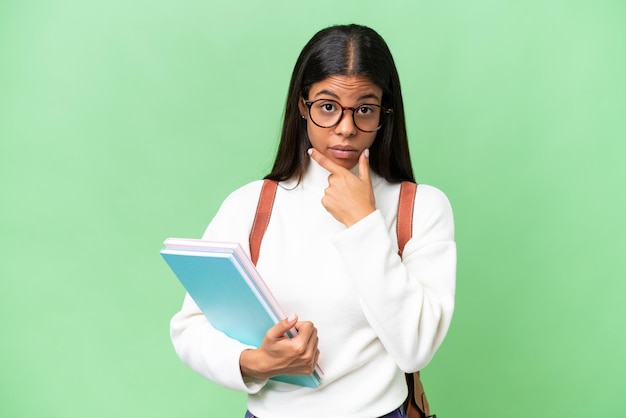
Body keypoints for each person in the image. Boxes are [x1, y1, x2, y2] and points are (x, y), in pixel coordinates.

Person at [170, 24, 456, 418]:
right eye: (327, 106)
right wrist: (254, 362)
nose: (346, 128)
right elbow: (190, 326)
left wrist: (363, 222)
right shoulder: (251, 205)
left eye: (365, 109)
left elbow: (414, 349)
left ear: (384, 114)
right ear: (302, 105)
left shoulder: (420, 207)